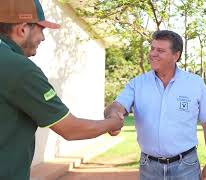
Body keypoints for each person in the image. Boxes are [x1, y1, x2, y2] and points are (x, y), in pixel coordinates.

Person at [0, 0, 124, 179]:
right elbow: (71, 129)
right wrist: (114, 123)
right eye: (41, 29)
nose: (42, 38)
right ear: (22, 28)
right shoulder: (20, 68)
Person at [106, 30, 206, 180]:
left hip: (186, 166)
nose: (153, 54)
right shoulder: (137, 84)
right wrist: (112, 117)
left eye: (160, 50)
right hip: (149, 168)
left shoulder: (195, 83)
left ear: (176, 56)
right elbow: (116, 106)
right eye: (152, 48)